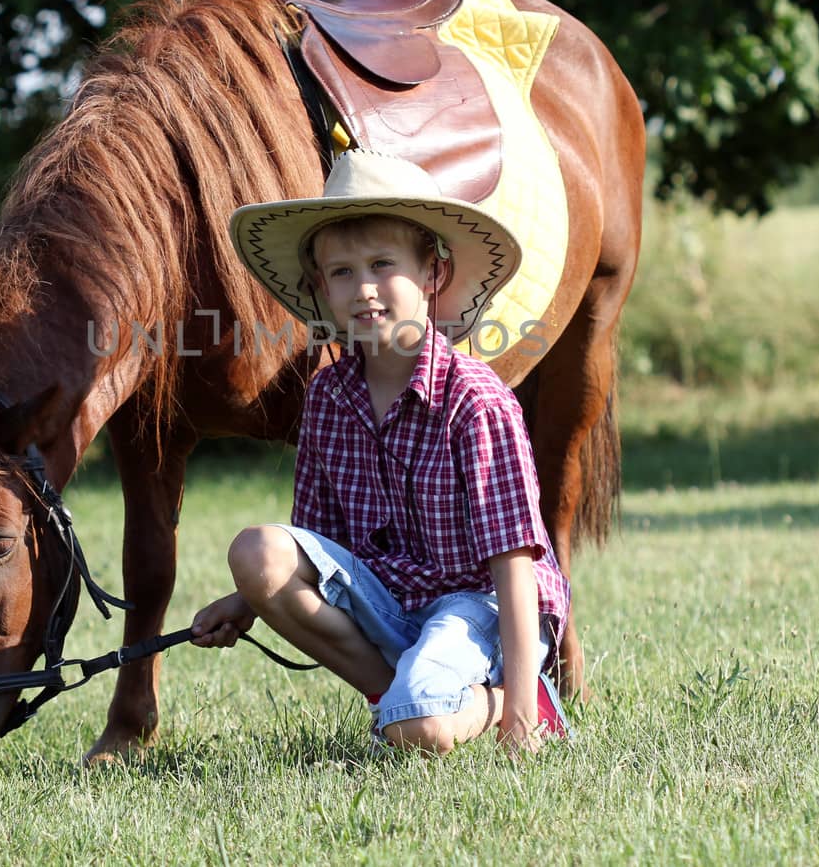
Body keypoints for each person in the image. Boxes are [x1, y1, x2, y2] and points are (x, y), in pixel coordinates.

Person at [192, 147, 570, 754]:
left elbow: (514, 563)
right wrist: (248, 599)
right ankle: (400, 697)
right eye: (341, 272)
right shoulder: (329, 397)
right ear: (319, 286)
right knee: (257, 551)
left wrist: (518, 717)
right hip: (391, 602)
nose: (363, 288)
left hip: (477, 605)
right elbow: (316, 545)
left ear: (431, 275)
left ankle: (493, 700)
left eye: (381, 264)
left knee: (419, 731)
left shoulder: (475, 401)